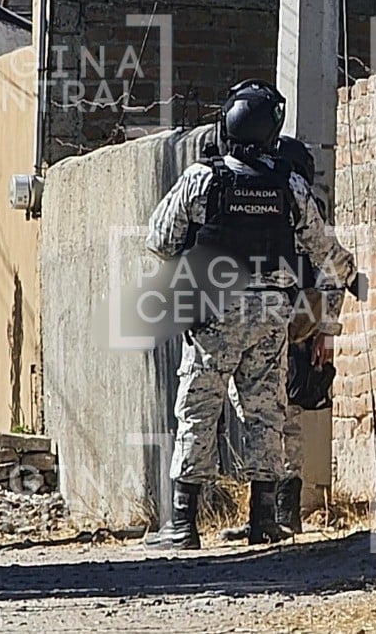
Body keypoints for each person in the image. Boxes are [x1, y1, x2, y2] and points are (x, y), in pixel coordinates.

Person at [142, 79, 362, 550]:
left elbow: (159, 239)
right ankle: (264, 520)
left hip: (215, 309)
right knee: (266, 412)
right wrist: (345, 280)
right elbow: (326, 252)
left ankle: (182, 525)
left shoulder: (205, 178)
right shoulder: (291, 185)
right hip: (271, 313)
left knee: (199, 411)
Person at [219, 135, 339, 541]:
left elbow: (336, 271)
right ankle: (269, 511)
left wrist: (326, 331)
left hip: (297, 327)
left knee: (282, 416)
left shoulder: (304, 215)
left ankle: (283, 513)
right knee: (262, 413)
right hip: (278, 322)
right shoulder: (278, 212)